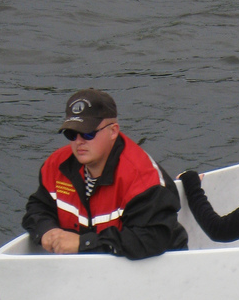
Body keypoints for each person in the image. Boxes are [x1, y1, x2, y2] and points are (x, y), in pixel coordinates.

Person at [23, 88, 188, 258]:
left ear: (113, 131)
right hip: (91, 269)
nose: (79, 142)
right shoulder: (55, 167)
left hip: (159, 267)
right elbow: (37, 207)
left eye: (88, 133)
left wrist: (83, 243)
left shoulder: (142, 178)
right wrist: (46, 230)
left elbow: (151, 239)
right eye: (71, 133)